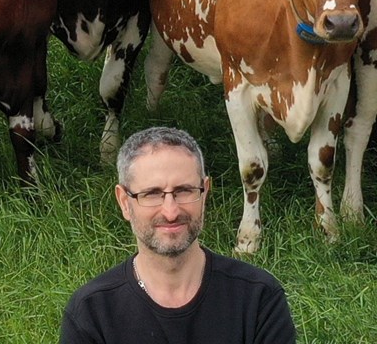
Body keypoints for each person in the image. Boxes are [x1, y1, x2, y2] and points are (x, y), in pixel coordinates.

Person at [60, 127, 296, 343]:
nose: (171, 212)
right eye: (152, 194)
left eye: (184, 191)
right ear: (124, 202)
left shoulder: (258, 298)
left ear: (204, 194)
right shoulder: (92, 312)